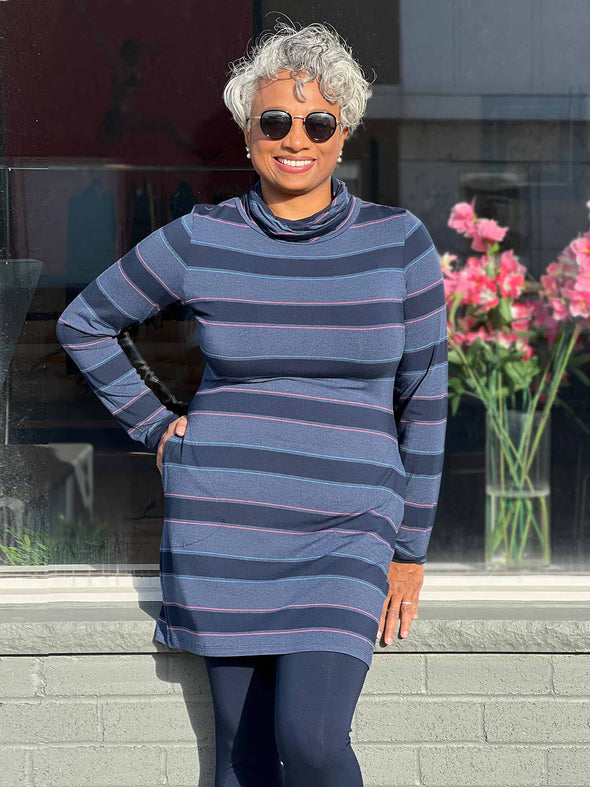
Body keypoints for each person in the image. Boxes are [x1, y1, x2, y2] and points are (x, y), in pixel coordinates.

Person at [56, 20, 448, 787]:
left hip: (347, 530)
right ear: (247, 135)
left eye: (317, 122)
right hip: (225, 525)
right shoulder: (202, 238)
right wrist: (157, 427)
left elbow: (425, 398)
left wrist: (410, 547)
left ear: (344, 136)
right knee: (240, 758)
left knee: (309, 741)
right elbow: (85, 321)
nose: (294, 137)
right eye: (274, 120)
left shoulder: (398, 243)